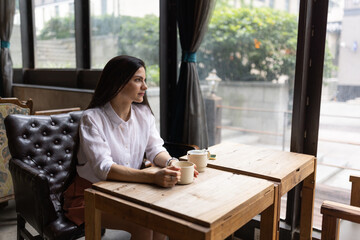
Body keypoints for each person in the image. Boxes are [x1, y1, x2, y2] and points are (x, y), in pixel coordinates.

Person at [63, 55, 198, 240]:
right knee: (144, 224)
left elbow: (155, 149)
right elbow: (103, 168)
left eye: (144, 80)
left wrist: (171, 162)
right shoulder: (92, 118)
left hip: (129, 189)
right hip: (91, 195)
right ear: (117, 82)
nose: (145, 87)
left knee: (163, 219)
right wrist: (150, 177)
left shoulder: (144, 114)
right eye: (138, 80)